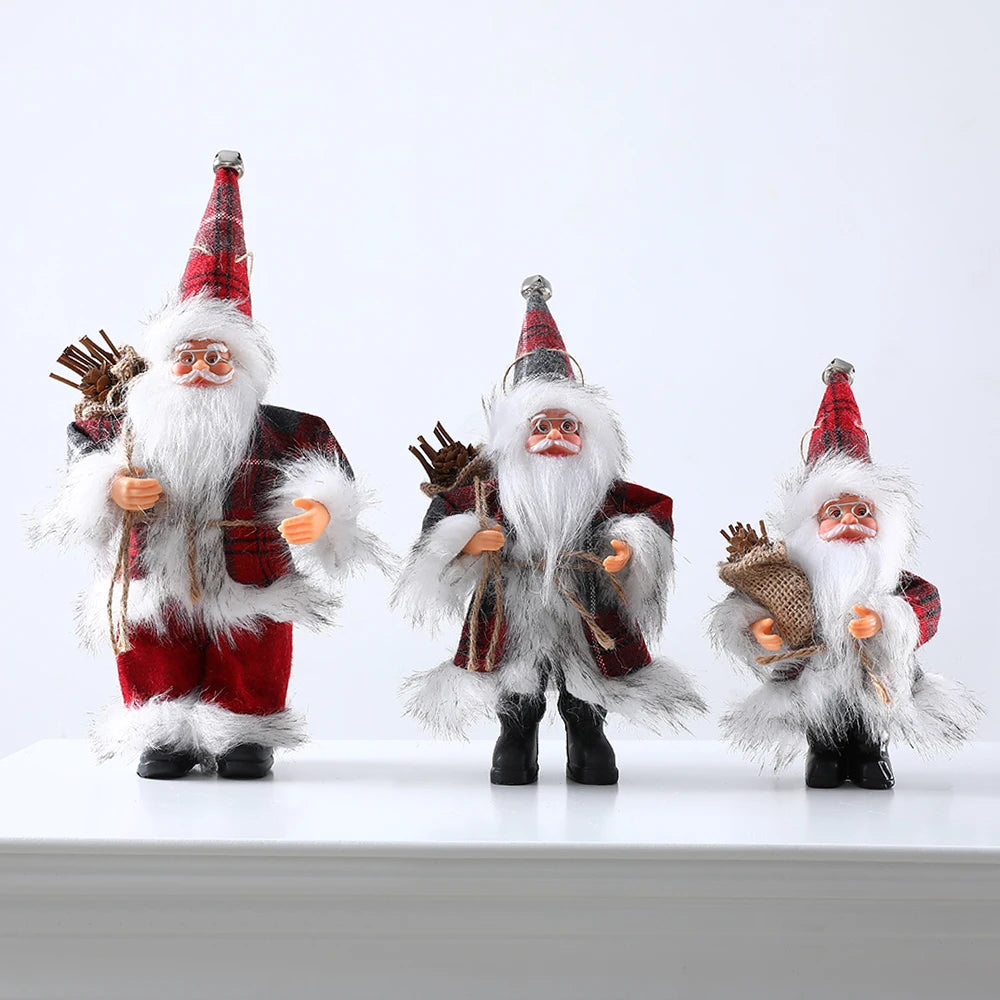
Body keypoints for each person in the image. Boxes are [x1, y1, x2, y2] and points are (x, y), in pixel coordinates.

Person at [34, 151, 385, 779]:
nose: (200, 369)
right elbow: (84, 454)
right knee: (154, 643)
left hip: (249, 570)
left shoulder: (280, 427)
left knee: (251, 647)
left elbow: (325, 465)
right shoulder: (125, 425)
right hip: (154, 566)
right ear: (162, 365)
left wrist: (320, 509)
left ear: (242, 367)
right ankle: (163, 734)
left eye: (216, 358)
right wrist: (109, 485)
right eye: (187, 357)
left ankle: (244, 733)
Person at [395, 275, 704, 785]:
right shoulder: (492, 491)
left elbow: (652, 511)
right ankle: (517, 735)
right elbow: (441, 518)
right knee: (515, 672)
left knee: (588, 670)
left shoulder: (601, 491)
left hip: (586, 594)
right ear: (516, 436)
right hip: (510, 594)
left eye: (568, 426)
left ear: (589, 436)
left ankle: (587, 734)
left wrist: (630, 549)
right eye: (541, 426)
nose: (555, 436)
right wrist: (467, 541)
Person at [709, 359, 982, 788]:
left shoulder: (888, 579)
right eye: (835, 513)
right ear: (811, 525)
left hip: (874, 678)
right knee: (819, 714)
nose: (849, 521)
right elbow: (749, 607)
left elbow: (926, 603)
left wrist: (888, 619)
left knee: (873, 713)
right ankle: (823, 752)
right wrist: (760, 628)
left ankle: (871, 751)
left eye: (861, 511)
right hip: (813, 675)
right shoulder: (792, 578)